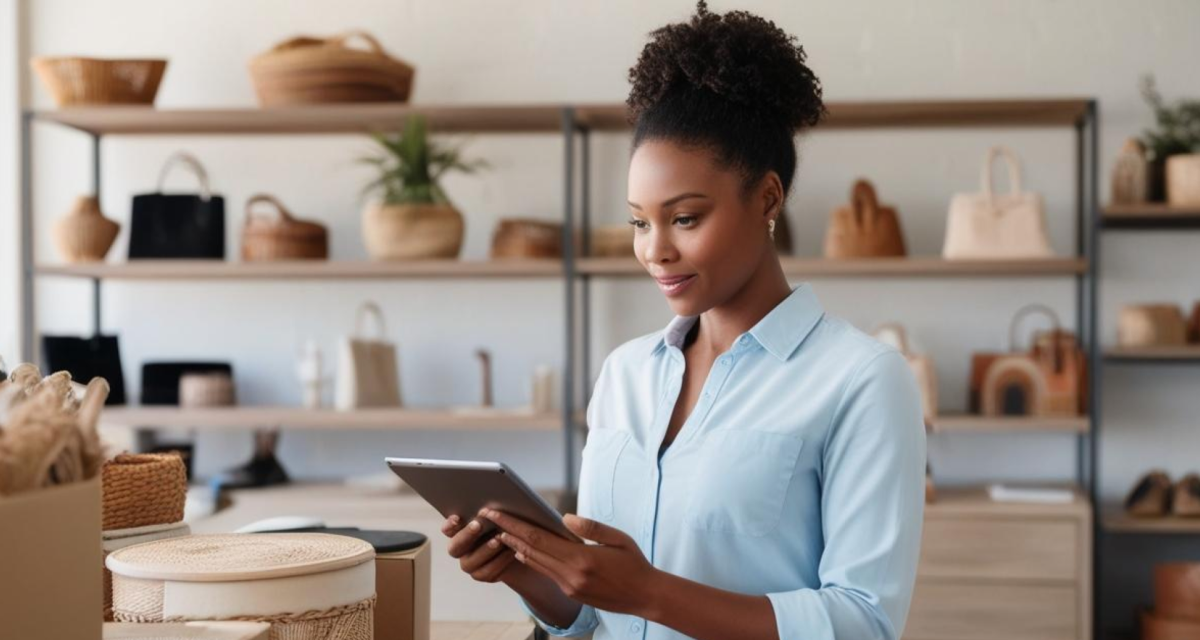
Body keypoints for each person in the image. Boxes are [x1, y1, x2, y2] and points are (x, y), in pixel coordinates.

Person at [442, 3, 926, 639]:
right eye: (640, 221)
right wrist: (528, 571)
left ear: (768, 198)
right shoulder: (624, 374)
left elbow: (863, 623)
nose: (655, 250)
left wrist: (649, 593)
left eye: (686, 218)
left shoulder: (862, 380)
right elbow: (592, 617)